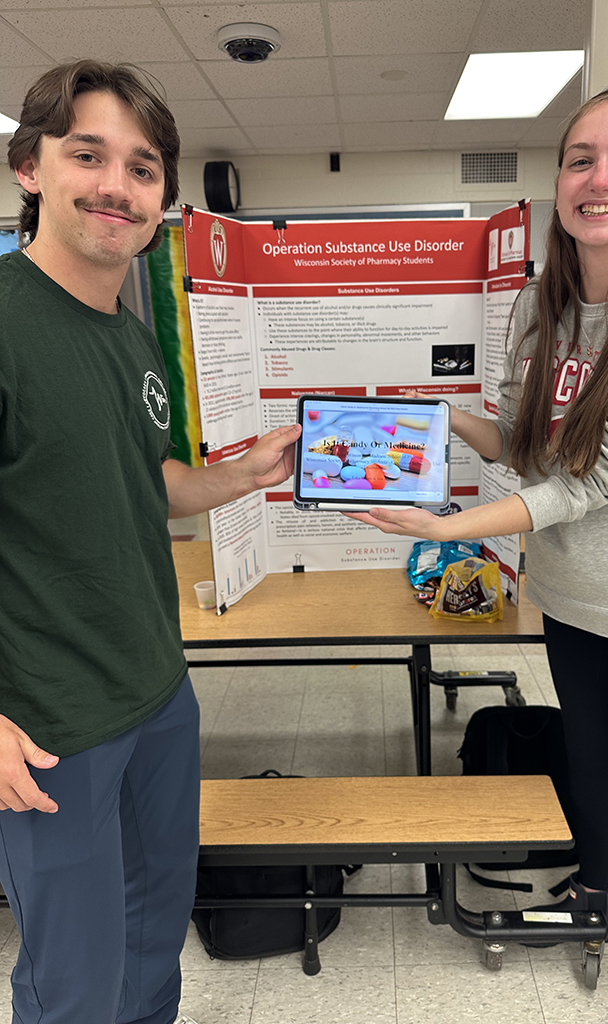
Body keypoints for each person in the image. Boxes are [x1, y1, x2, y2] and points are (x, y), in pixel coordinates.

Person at [348, 86, 608, 1024]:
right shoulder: (540, 307)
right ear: (558, 184)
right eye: (579, 158)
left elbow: (596, 480)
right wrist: (435, 421)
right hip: (571, 589)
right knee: (590, 756)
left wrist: (448, 532)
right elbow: (531, 451)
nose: (599, 177)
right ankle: (594, 889)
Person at [0, 61, 301, 1024]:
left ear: (163, 198)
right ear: (29, 169)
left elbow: (146, 480)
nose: (115, 187)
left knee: (152, 938)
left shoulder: (129, 332)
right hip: (52, 726)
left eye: (142, 168)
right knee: (75, 981)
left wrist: (239, 475)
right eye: (87, 154)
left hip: (158, 693)